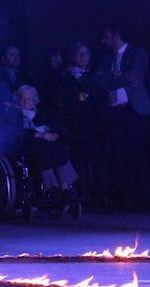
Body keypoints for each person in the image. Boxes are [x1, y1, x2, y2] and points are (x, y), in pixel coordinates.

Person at [95, 25, 150, 212]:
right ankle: (126, 200)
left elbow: (134, 75)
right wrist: (119, 78)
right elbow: (98, 80)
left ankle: (147, 201)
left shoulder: (138, 54)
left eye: (106, 36)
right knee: (119, 156)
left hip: (136, 111)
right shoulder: (106, 58)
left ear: (116, 35)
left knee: (137, 154)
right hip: (115, 112)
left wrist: (114, 78)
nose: (103, 41)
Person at [59, 43, 110, 211]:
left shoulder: (95, 77)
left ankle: (101, 198)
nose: (82, 57)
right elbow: (68, 104)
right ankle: (82, 197)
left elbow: (99, 100)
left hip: (95, 127)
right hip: (77, 127)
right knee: (79, 163)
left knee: (98, 163)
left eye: (86, 53)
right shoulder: (66, 78)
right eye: (79, 54)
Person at [16, 85, 79, 198]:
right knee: (43, 148)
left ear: (34, 100)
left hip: (48, 144)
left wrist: (55, 134)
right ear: (18, 99)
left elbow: (57, 127)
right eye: (23, 99)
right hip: (27, 145)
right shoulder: (14, 115)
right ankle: (51, 188)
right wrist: (40, 135)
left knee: (59, 148)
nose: (26, 102)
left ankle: (65, 187)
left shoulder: (42, 115)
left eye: (29, 99)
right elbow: (16, 132)